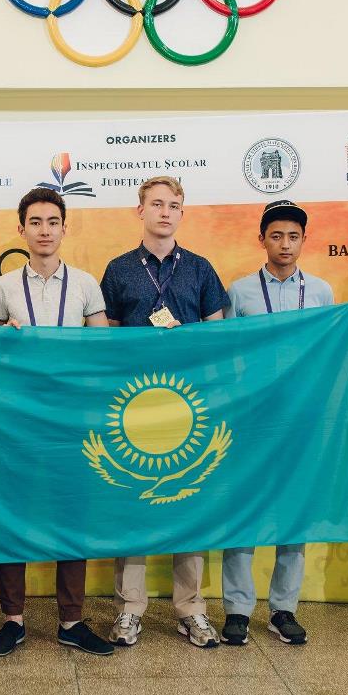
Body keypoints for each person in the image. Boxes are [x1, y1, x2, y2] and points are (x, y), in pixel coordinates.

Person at [222, 200, 348, 647]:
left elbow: (330, 348)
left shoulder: (322, 293)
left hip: (303, 418)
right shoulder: (240, 291)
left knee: (295, 512)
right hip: (253, 417)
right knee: (244, 511)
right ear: (262, 239)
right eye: (276, 236)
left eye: (293, 236)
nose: (285, 244)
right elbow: (227, 350)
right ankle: (237, 609)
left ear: (305, 240)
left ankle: (284, 608)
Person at [0, 187, 114, 658]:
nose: (44, 230)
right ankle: (12, 620)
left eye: (52, 221)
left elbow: (104, 349)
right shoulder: (4, 287)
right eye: (34, 222)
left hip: (70, 420)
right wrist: (4, 339)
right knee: (11, 514)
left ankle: (71, 620)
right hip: (16, 420)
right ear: (22, 230)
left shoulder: (84, 284)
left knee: (70, 515)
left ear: (64, 227)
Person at [99, 176, 229, 649]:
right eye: (157, 204)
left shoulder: (199, 269)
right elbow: (106, 341)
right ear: (140, 211)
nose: (166, 212)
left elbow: (219, 339)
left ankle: (191, 609)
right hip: (134, 405)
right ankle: (130, 609)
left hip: (189, 407)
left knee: (189, 503)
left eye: (175, 205)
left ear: (181, 212)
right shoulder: (117, 270)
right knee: (135, 500)